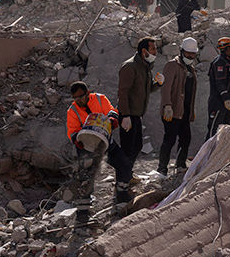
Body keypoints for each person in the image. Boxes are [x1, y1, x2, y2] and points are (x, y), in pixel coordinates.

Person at [66, 82, 133, 219]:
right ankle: (83, 212)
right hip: (86, 145)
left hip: (105, 140)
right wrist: (76, 140)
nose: (78, 100)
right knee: (86, 177)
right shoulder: (72, 111)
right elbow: (72, 130)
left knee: (124, 165)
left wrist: (113, 118)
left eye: (81, 97)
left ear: (88, 93)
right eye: (75, 98)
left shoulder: (99, 99)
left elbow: (111, 110)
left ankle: (122, 194)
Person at [117, 37, 164, 171]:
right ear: (144, 51)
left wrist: (159, 84)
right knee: (127, 149)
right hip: (128, 115)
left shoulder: (145, 67)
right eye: (153, 49)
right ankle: (122, 182)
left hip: (136, 115)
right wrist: (125, 115)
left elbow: (147, 89)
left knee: (136, 147)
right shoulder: (130, 67)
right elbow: (122, 93)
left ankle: (127, 174)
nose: (156, 52)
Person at [158, 38, 199, 176]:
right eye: (188, 53)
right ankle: (162, 168)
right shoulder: (172, 65)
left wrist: (192, 109)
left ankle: (180, 165)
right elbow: (165, 87)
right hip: (172, 111)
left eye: (193, 54)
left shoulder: (191, 69)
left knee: (185, 138)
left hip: (184, 112)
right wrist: (167, 105)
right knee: (169, 139)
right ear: (182, 51)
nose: (190, 56)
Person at [207, 37, 230, 136]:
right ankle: (208, 152)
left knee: (224, 132)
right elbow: (219, 82)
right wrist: (226, 99)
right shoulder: (220, 62)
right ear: (227, 49)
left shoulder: (228, 62)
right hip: (219, 102)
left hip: (226, 102)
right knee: (214, 131)